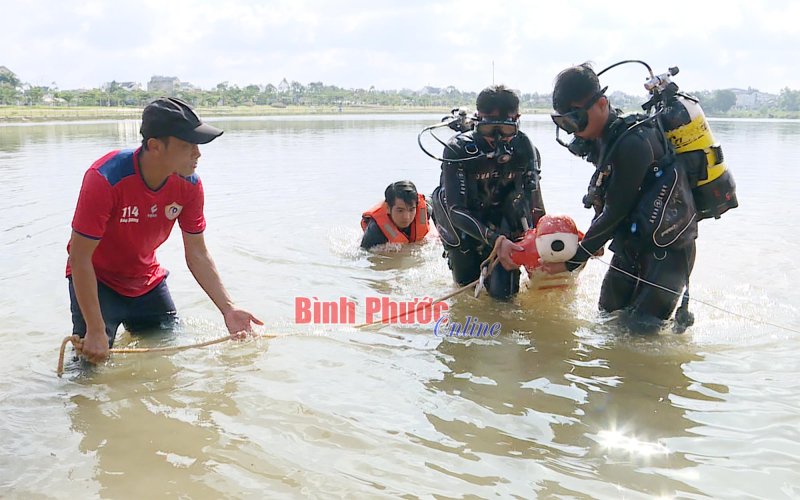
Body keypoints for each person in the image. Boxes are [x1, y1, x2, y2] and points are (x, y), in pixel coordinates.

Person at [66, 97, 263, 365]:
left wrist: (228, 309)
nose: (197, 154)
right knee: (89, 369)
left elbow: (197, 253)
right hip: (99, 283)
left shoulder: (190, 185)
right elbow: (80, 258)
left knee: (168, 363)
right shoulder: (105, 178)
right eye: (187, 145)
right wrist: (96, 329)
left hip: (146, 282)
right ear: (155, 146)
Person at [543, 63, 697, 322]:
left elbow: (616, 210)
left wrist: (574, 261)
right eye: (565, 122)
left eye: (577, 119)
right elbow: (606, 196)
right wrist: (592, 243)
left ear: (602, 104)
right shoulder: (604, 140)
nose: (575, 130)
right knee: (607, 319)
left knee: (641, 331)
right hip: (631, 247)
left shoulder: (631, 143)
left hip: (667, 255)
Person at [430, 85, 546, 299]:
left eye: (506, 130)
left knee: (505, 299)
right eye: (489, 129)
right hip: (463, 224)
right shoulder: (458, 150)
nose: (497, 138)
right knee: (467, 293)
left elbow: (535, 202)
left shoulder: (525, 149)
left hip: (503, 222)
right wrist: (495, 240)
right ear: (477, 120)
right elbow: (456, 209)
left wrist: (544, 240)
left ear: (517, 120)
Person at [360, 180, 429, 250]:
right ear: (388, 208)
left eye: (411, 210)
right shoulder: (375, 231)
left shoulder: (425, 212)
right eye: (400, 210)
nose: (406, 217)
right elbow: (364, 253)